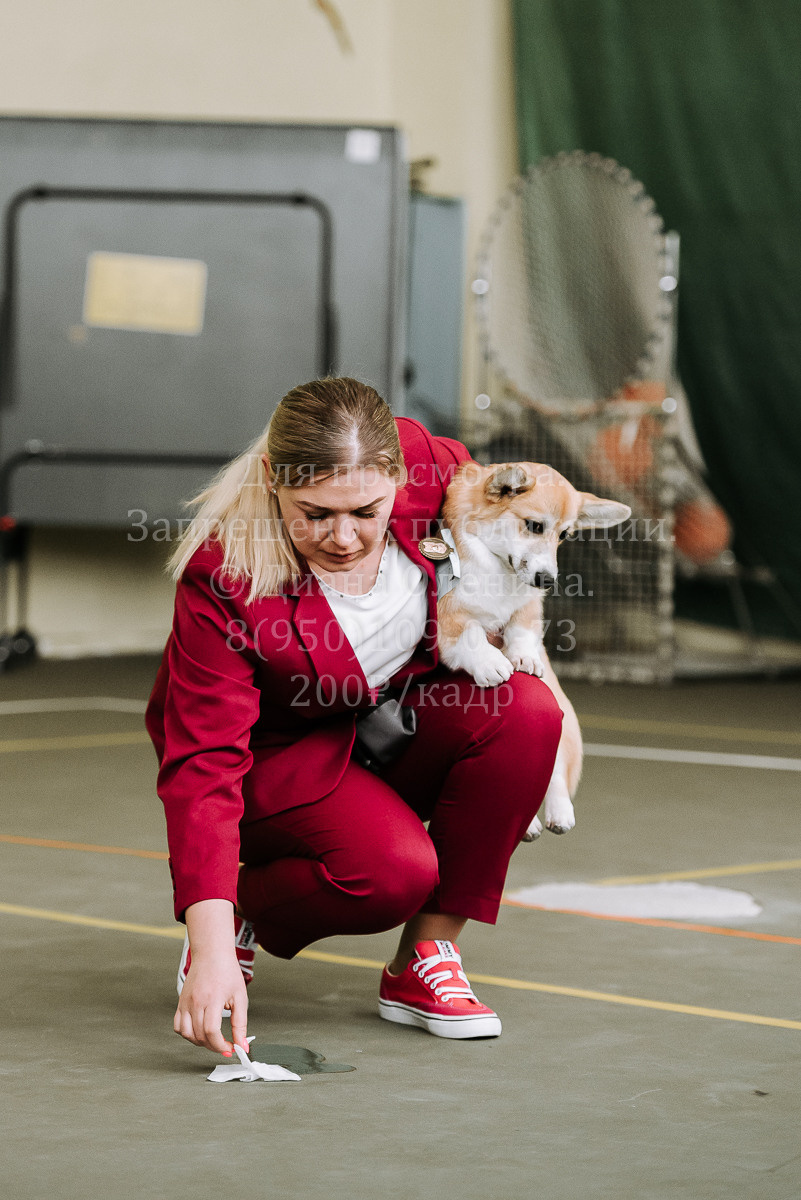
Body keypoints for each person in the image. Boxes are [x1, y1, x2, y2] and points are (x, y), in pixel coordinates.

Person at [145, 376, 562, 1057]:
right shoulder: (222, 572)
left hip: (388, 717)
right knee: (390, 873)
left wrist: (541, 669)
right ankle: (245, 912)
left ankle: (423, 961)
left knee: (527, 712)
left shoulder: (437, 470)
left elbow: (524, 550)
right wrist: (209, 941)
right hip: (273, 754)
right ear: (275, 482)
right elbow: (203, 763)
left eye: (366, 511)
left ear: (398, 476)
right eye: (313, 513)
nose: (342, 537)